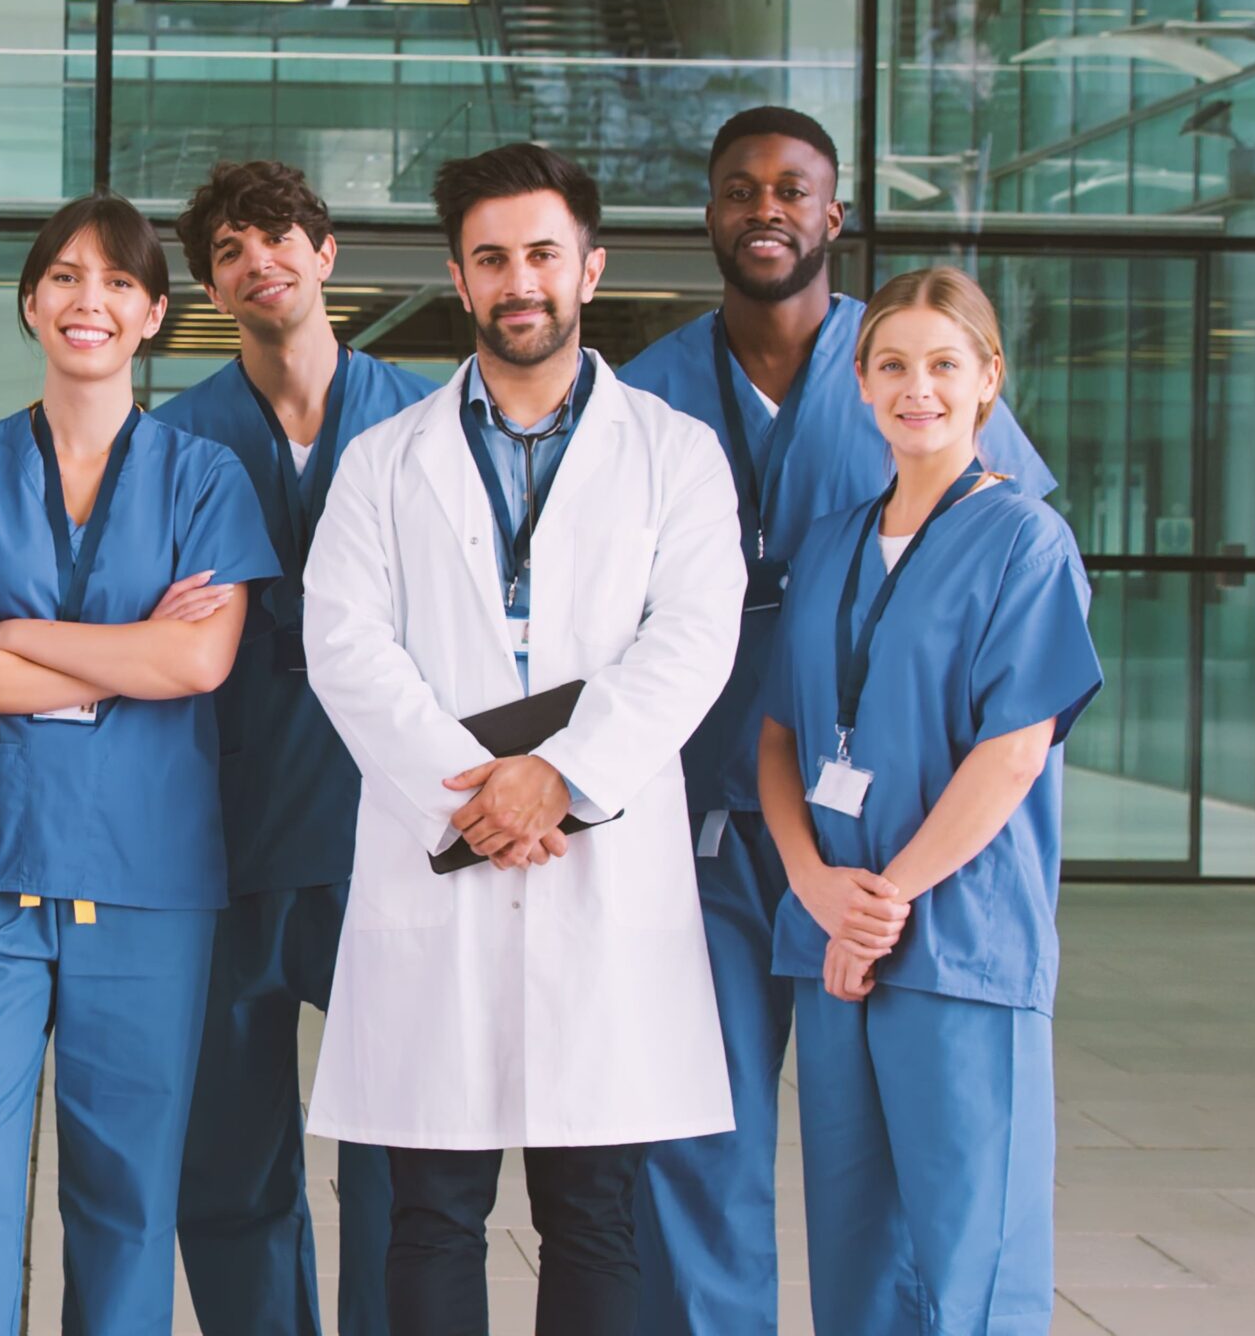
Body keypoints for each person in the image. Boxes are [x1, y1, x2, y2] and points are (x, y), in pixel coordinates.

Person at [615, 108, 1055, 1336]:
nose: (767, 208)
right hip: (706, 827)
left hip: (880, 850)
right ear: (708, 213)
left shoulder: (911, 354)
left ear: (832, 216)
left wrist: (884, 877)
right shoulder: (644, 392)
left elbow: (999, 550)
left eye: (794, 189)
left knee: (899, 1180)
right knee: (699, 1142)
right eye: (740, 188)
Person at [299, 143, 741, 1336]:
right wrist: (478, 799)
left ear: (589, 269)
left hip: (596, 850)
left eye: (543, 254)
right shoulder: (381, 462)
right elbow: (342, 645)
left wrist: (557, 779)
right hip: (438, 852)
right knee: (428, 1210)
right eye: (491, 258)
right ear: (458, 276)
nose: (520, 281)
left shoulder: (674, 453)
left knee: (594, 1211)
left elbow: (694, 639)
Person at [0, 192, 280, 1334]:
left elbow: (200, 663)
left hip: (146, 883)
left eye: (117, 282)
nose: (88, 299)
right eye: (63, 277)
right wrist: (120, 657)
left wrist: (20, 636)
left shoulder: (203, 478)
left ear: (152, 316)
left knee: (127, 1190)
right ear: (30, 304)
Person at [759, 267, 1098, 1336]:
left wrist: (884, 902)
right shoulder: (831, 543)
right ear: (859, 384)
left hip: (958, 943)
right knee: (854, 1252)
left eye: (944, 365)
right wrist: (815, 887)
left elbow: (1011, 753)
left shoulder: (1024, 542)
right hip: (833, 938)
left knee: (968, 1257)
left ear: (988, 379)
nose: (919, 389)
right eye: (894, 365)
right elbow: (776, 738)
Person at [147, 159, 430, 1336]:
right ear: (211, 285)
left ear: (324, 254)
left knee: (397, 1153)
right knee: (224, 1159)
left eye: (274, 236)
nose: (253, 257)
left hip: (386, 838)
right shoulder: (173, 439)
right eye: (225, 249)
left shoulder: (426, 420)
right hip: (218, 841)